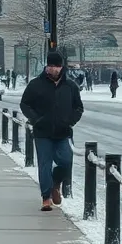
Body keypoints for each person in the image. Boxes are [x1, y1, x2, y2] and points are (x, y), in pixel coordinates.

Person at [20, 51, 85, 212]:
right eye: (51, 66)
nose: (53, 69)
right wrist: (36, 120)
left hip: (63, 132)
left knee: (66, 162)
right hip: (42, 132)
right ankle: (46, 198)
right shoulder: (36, 84)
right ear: (46, 67)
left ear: (61, 67)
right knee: (44, 164)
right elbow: (25, 104)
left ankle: (56, 184)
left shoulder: (70, 86)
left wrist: (70, 121)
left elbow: (78, 107)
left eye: (56, 66)